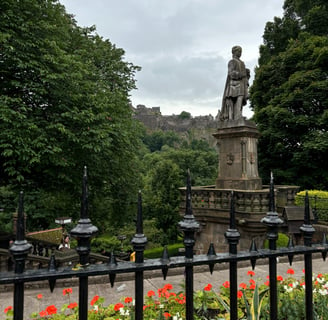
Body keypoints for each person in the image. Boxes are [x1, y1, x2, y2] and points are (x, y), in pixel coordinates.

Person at [220, 45, 250, 121]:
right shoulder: (232, 61)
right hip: (233, 85)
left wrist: (246, 74)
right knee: (231, 102)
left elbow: (245, 75)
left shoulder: (242, 63)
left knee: (240, 100)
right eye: (238, 51)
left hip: (241, 85)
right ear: (234, 52)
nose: (240, 53)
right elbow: (231, 73)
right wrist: (240, 74)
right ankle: (232, 117)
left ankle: (238, 115)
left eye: (241, 51)